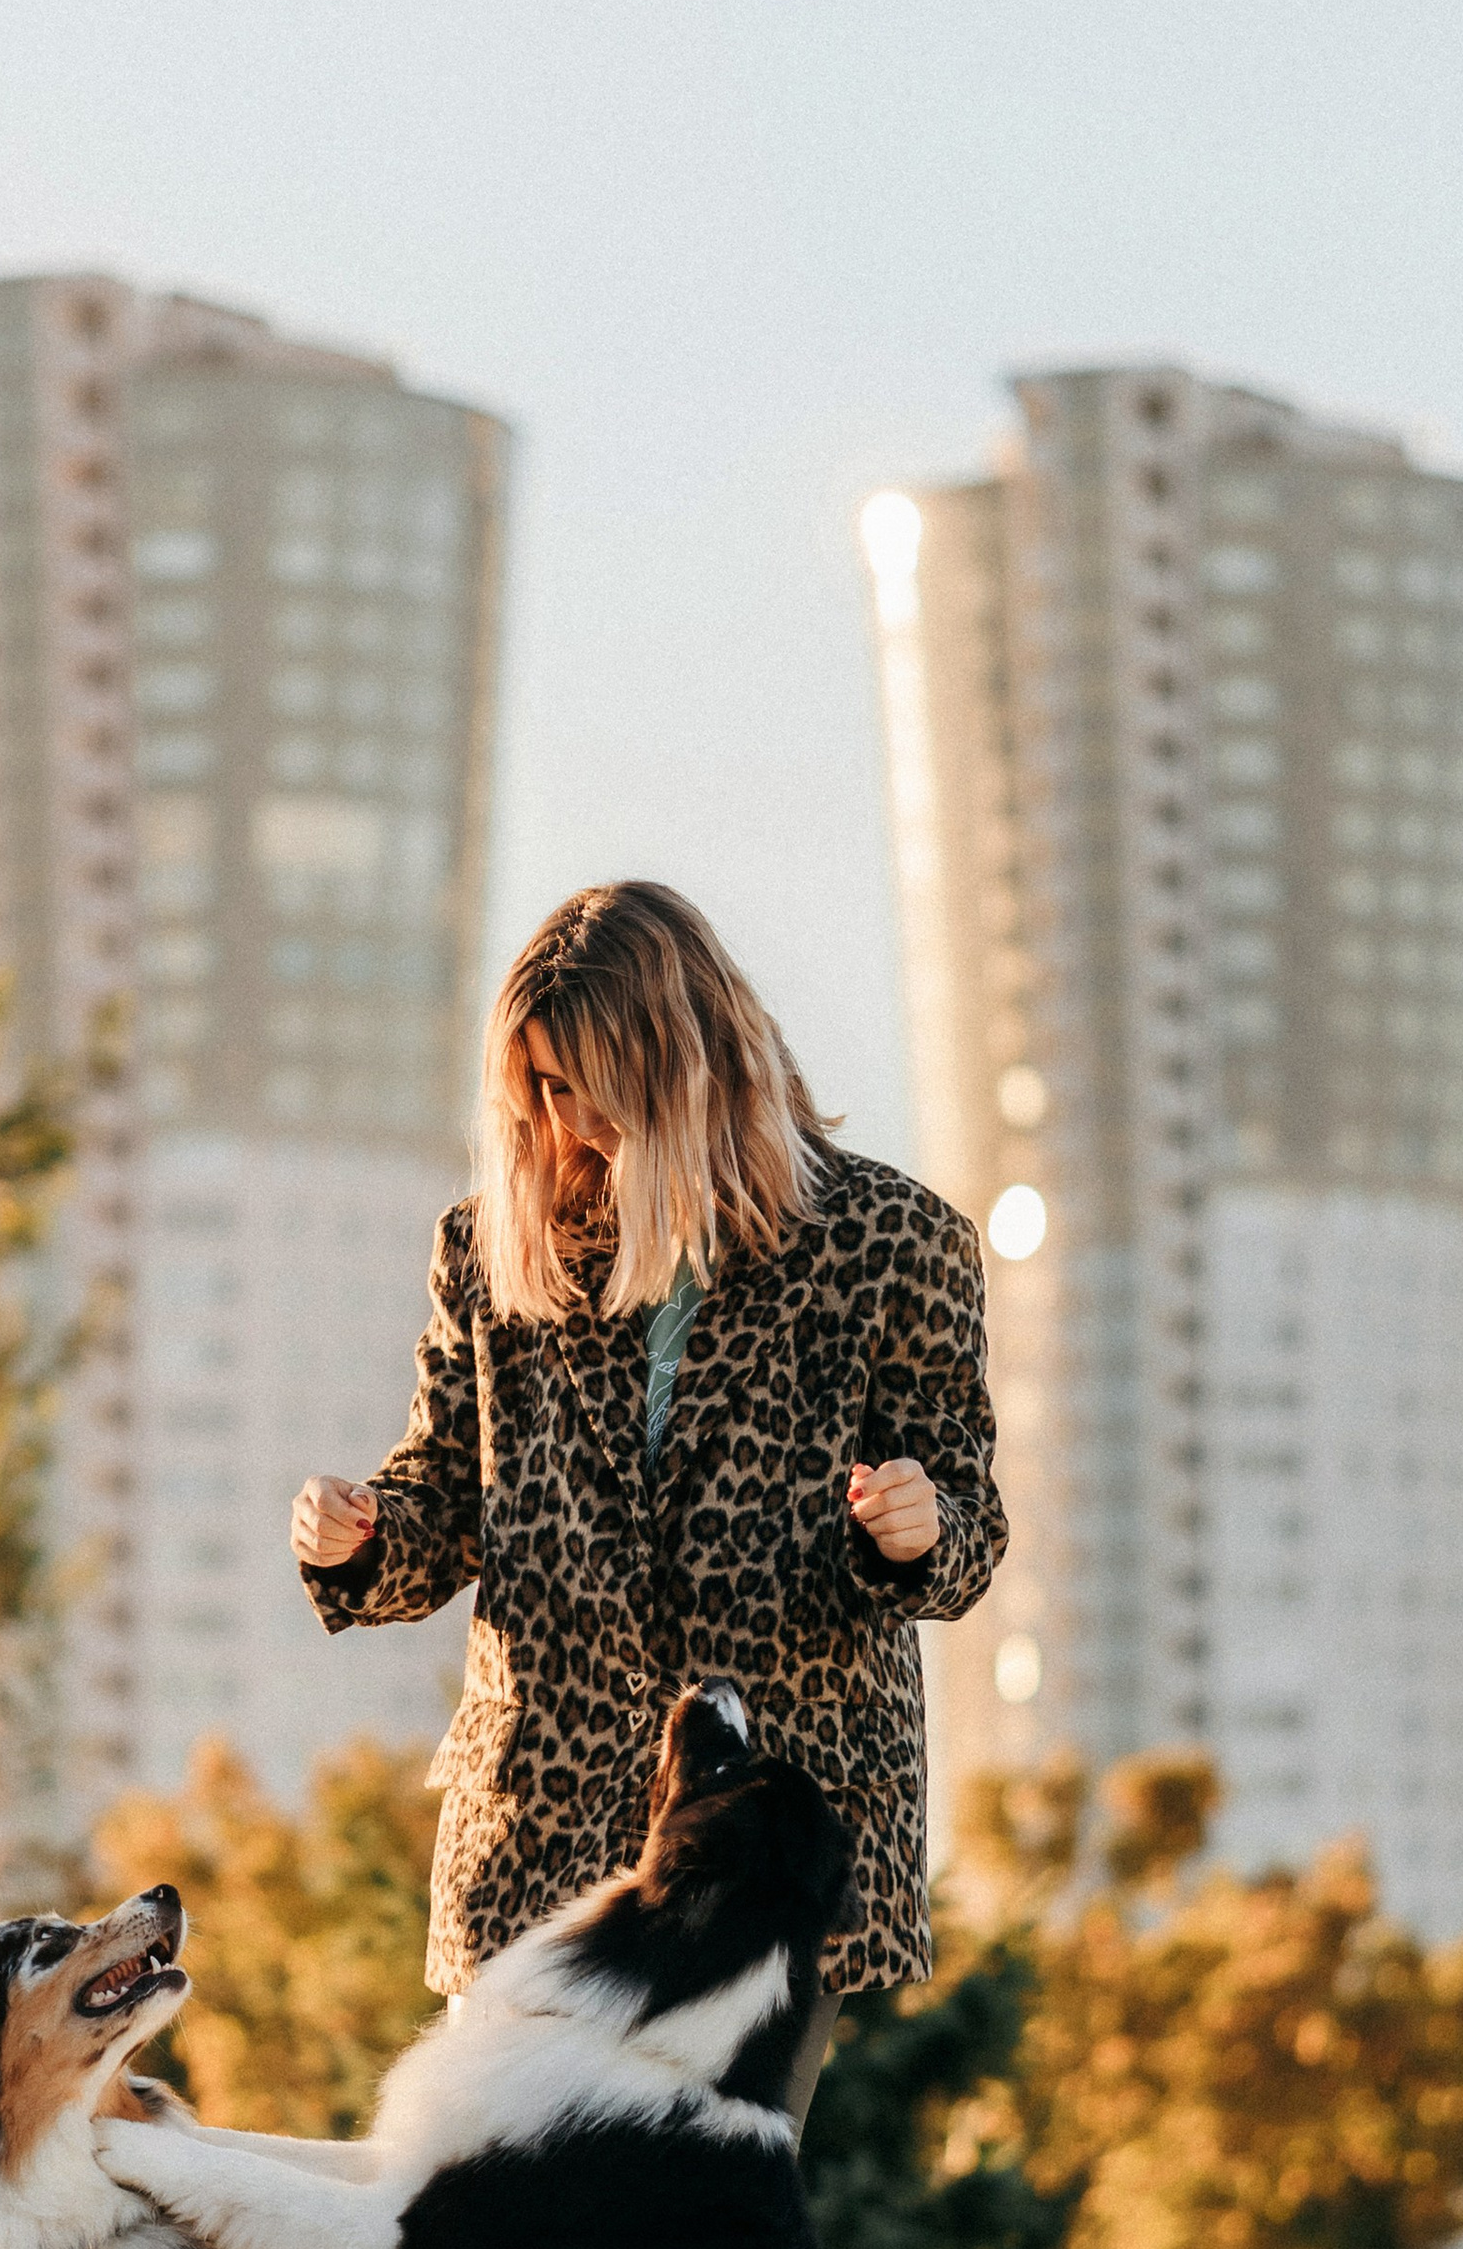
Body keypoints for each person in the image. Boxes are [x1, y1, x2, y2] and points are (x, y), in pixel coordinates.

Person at [291, 877, 1006, 2143]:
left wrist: (914, 1527)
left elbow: (967, 1523)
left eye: (589, 1083)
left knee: (689, 2226)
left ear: (685, 1057)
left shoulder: (892, 1245)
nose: (567, 1122)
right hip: (538, 1826)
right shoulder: (490, 1249)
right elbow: (440, 1495)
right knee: (482, 2206)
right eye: (542, 1090)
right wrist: (363, 1538)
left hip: (763, 1851)